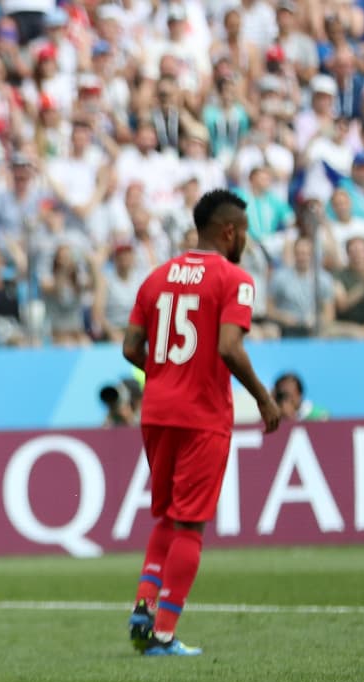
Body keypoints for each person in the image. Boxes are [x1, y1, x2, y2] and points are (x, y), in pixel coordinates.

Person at [121, 189, 281, 657]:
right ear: (229, 231)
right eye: (245, 231)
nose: (246, 240)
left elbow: (130, 347)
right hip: (201, 415)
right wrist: (264, 399)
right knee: (190, 523)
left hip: (157, 412)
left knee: (168, 514)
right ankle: (163, 634)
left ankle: (144, 605)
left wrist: (165, 376)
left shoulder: (156, 277)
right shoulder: (235, 279)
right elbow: (229, 347)